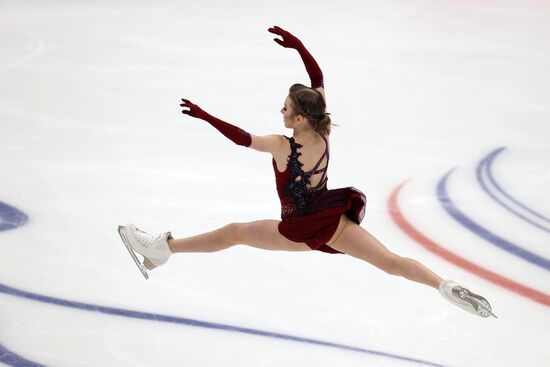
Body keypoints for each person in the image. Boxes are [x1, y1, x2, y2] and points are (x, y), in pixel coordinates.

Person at [118, 25, 496, 318]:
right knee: (392, 262)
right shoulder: (321, 127)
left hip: (299, 227)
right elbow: (317, 77)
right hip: (335, 221)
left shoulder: (284, 145)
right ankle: (444, 285)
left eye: (285, 109)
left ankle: (163, 249)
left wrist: (204, 116)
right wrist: (298, 47)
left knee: (233, 233)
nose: (280, 112)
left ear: (298, 117)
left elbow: (240, 138)